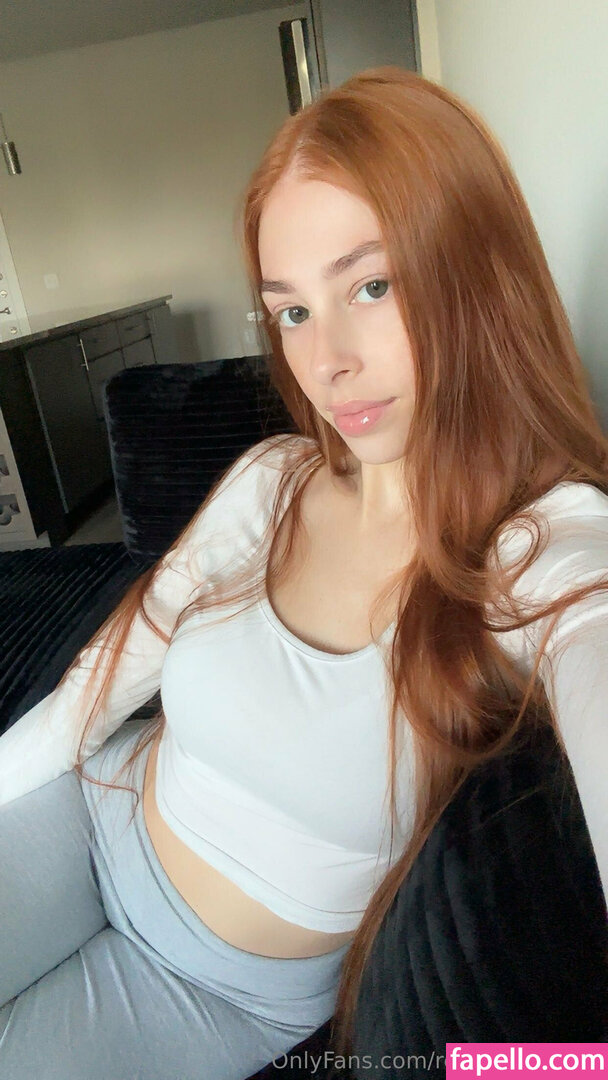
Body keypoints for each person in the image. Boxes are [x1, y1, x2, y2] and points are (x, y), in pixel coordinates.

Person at [1, 65, 607, 1078]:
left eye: (372, 286)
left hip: (212, 989)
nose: (325, 363)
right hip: (96, 816)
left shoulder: (538, 549)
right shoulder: (273, 480)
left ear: (476, 272)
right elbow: (94, 690)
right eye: (291, 312)